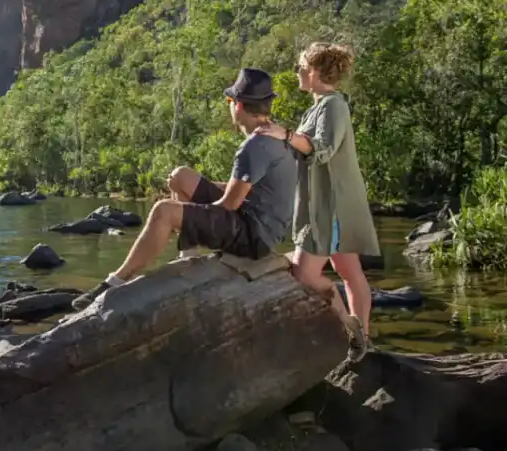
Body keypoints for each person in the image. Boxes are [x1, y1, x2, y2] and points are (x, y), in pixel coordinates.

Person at [71, 68, 297, 312]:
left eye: (230, 100)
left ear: (239, 106)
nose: (229, 105)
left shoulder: (254, 147)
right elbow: (251, 191)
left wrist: (185, 215)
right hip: (260, 226)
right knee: (181, 176)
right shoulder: (276, 135)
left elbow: (228, 205)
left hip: (254, 238)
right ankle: (188, 258)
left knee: (164, 211)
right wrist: (192, 203)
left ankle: (113, 282)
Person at [254, 42, 378, 362]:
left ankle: (350, 329)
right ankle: (362, 340)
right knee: (349, 271)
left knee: (306, 276)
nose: (296, 73)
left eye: (300, 67)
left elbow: (321, 149)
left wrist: (284, 134)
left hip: (329, 207)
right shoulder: (319, 106)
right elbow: (300, 150)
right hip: (323, 204)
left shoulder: (333, 106)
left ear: (314, 72)